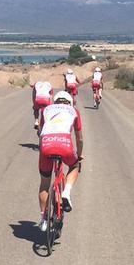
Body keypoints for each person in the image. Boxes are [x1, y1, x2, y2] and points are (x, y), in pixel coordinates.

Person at [38, 89, 84, 233]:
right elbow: (79, 138)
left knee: (45, 183)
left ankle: (44, 220)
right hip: (65, 145)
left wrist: (43, 150)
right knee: (75, 165)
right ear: (69, 102)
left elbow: (41, 132)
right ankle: (66, 193)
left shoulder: (46, 109)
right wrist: (79, 154)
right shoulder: (74, 111)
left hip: (46, 145)